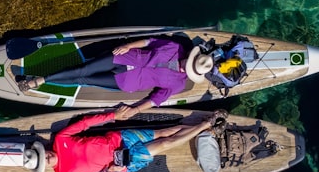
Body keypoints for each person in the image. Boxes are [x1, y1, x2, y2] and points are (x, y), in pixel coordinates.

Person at [17, 37, 214, 120]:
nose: (184, 66)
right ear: (191, 57)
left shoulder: (178, 84)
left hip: (126, 82)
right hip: (124, 57)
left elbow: (156, 100)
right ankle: (41, 80)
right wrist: (128, 45)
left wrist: (135, 110)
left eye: (189, 69)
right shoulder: (175, 47)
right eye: (188, 62)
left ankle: (45, 81)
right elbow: (150, 41)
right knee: (83, 70)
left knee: (84, 81)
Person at [21, 109, 224, 172]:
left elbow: (85, 123)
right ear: (44, 167)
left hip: (119, 138)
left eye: (42, 154)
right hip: (121, 161)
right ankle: (207, 125)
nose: (46, 157)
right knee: (164, 144)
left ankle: (204, 127)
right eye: (43, 161)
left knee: (166, 131)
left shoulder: (60, 140)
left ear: (43, 149)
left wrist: (112, 116)